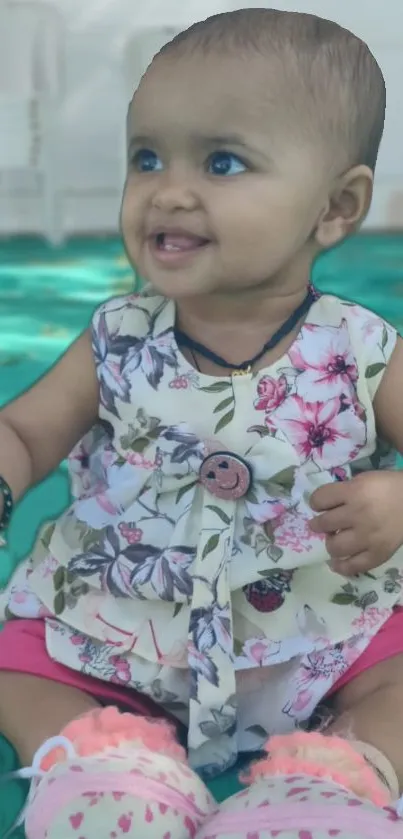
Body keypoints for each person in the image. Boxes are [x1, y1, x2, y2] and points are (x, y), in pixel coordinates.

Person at [1, 8, 403, 838]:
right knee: (15, 663)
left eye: (222, 161)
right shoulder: (117, 336)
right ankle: (106, 759)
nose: (167, 189)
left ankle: (334, 773)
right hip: (122, 622)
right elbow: (28, 430)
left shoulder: (361, 350)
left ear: (335, 206)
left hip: (315, 625)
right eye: (146, 157)